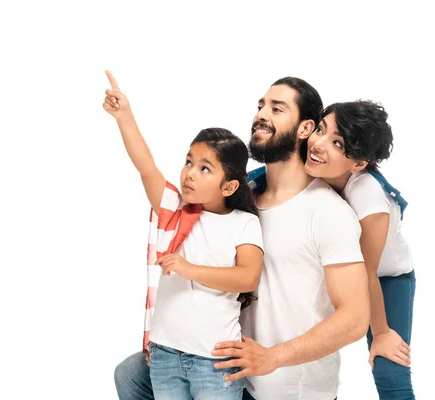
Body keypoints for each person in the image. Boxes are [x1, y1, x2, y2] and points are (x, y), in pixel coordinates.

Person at [114, 76, 370, 400]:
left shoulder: (328, 212)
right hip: (225, 368)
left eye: (277, 109)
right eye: (261, 106)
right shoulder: (244, 194)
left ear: (306, 128)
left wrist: (272, 357)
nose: (262, 114)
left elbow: (355, 320)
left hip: (287, 389)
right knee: (132, 375)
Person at [103, 71, 265, 400]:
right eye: (189, 161)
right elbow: (146, 167)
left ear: (229, 186)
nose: (189, 173)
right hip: (165, 355)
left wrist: (189, 269)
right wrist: (124, 116)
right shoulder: (174, 209)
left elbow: (248, 276)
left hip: (214, 360)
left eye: (205, 168)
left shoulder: (243, 223)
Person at [302, 100, 415, 399]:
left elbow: (368, 272)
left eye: (336, 143)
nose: (318, 144)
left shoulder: (368, 196)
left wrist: (380, 333)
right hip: (347, 271)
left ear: (359, 163)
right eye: (321, 129)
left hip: (387, 279)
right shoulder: (319, 164)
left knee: (390, 368)